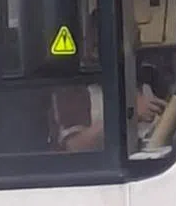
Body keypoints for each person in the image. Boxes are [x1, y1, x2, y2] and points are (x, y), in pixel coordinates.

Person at [52, 9, 168, 153]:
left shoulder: (150, 78)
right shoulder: (75, 89)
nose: (135, 44)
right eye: (127, 39)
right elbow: (75, 146)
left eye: (136, 36)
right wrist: (129, 114)